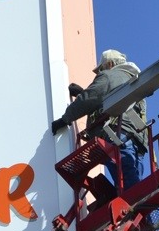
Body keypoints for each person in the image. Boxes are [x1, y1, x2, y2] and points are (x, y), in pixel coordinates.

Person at [51, 49, 147, 189]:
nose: (101, 72)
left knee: (126, 185)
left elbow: (92, 97)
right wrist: (82, 92)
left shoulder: (111, 75)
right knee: (133, 180)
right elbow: (108, 98)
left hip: (116, 134)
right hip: (137, 140)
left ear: (110, 63)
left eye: (102, 68)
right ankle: (137, 204)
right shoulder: (134, 80)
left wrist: (65, 119)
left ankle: (133, 202)